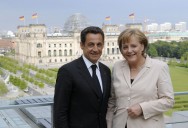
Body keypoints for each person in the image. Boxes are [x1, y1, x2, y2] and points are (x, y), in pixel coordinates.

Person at [106, 28, 174, 128]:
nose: (129, 50)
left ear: (142, 46)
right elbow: (112, 101)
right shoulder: (117, 67)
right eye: (125, 47)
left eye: (133, 46)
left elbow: (168, 100)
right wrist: (109, 124)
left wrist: (142, 108)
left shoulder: (159, 67)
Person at [54, 26, 111, 128]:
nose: (95, 49)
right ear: (81, 45)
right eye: (91, 45)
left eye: (99, 45)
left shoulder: (106, 71)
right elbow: (60, 112)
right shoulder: (67, 71)